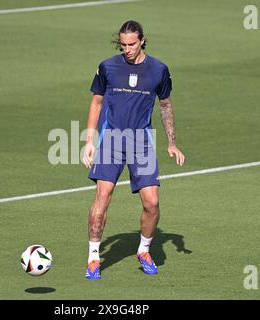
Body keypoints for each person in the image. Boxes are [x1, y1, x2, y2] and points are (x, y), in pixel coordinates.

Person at [82, 20, 185, 280]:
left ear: (142, 41)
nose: (127, 49)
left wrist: (172, 142)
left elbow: (165, 106)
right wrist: (89, 141)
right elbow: (96, 103)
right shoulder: (107, 67)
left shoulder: (159, 70)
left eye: (131, 44)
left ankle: (144, 250)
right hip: (112, 140)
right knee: (102, 198)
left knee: (152, 203)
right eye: (123, 44)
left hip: (141, 142)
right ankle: (94, 258)